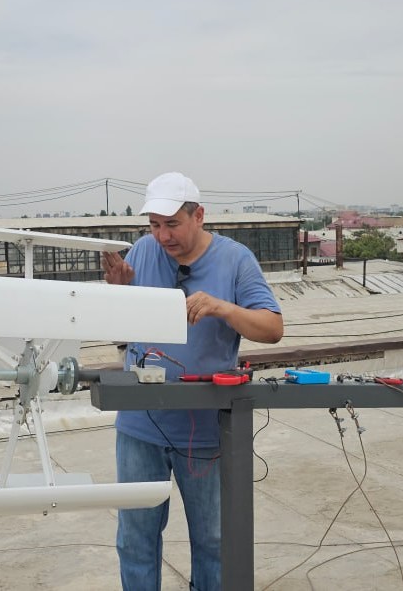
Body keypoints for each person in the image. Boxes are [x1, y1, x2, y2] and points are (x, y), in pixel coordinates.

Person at [102, 172, 283, 591]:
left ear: (198, 215)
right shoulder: (142, 253)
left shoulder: (235, 260)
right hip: (140, 427)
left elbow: (272, 328)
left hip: (203, 431)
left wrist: (223, 308)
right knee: (135, 540)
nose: (162, 236)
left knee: (214, 541)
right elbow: (123, 336)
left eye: (172, 224)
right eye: (154, 225)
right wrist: (118, 296)